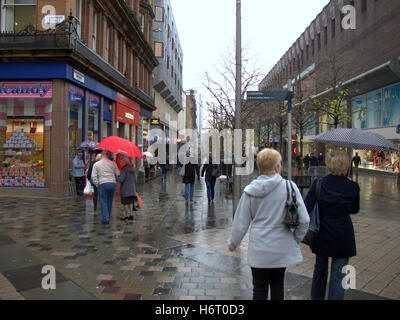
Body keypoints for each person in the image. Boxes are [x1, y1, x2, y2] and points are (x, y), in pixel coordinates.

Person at [228, 148, 310, 300]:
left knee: (259, 289)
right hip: (281, 248)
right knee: (278, 285)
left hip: (259, 249)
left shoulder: (250, 191)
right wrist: (295, 239)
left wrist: (233, 242)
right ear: (278, 167)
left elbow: (241, 221)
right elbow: (304, 220)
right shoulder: (290, 187)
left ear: (259, 167)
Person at [304, 150, 360, 300]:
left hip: (322, 233)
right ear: (345, 167)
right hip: (343, 234)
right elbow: (354, 209)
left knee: (320, 270)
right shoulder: (353, 187)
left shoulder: (319, 184)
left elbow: (306, 207)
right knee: (339, 274)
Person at [91, 151, 120, 225]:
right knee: (109, 201)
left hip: (103, 183)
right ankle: (108, 216)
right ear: (107, 155)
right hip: (112, 183)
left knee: (103, 201)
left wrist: (97, 184)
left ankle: (105, 219)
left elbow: (93, 176)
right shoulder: (112, 163)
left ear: (102, 155)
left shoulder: (96, 164)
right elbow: (118, 173)